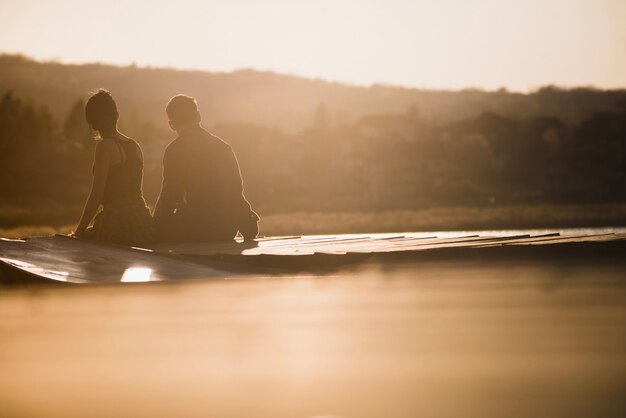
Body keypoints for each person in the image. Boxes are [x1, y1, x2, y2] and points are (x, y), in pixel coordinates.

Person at [154, 94, 259, 242]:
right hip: (226, 229)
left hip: (194, 229)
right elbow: (235, 190)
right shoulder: (222, 146)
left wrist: (154, 226)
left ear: (171, 125)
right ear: (198, 116)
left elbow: (169, 196)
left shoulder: (175, 149)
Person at [73, 89, 154, 246]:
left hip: (117, 221)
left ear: (92, 123)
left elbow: (97, 195)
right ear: (116, 115)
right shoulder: (134, 145)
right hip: (143, 221)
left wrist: (78, 232)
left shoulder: (105, 146)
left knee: (83, 243)